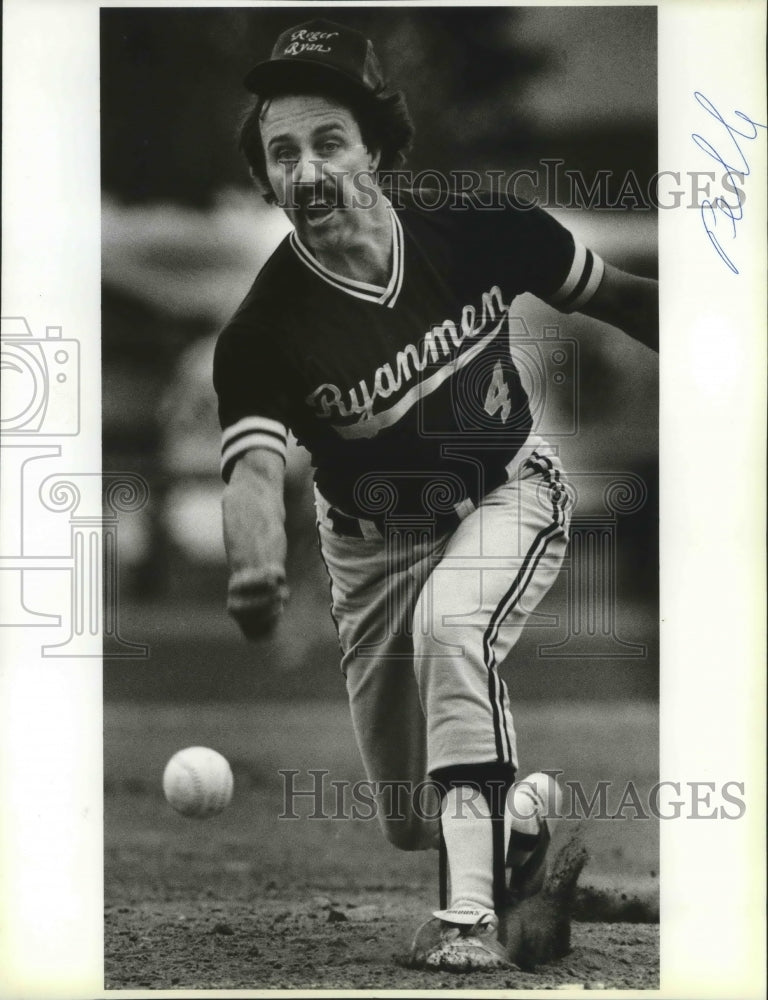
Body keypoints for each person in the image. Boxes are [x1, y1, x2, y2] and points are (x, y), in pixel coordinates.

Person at [214, 18, 657, 972]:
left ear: (377, 145)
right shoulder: (263, 331)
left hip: (508, 493)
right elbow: (251, 465)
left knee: (456, 628)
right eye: (282, 152)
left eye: (330, 139)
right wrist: (252, 562)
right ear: (265, 181)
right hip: (369, 550)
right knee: (414, 818)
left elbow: (621, 297)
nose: (307, 168)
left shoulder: (476, 225)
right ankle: (522, 826)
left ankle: (467, 918)